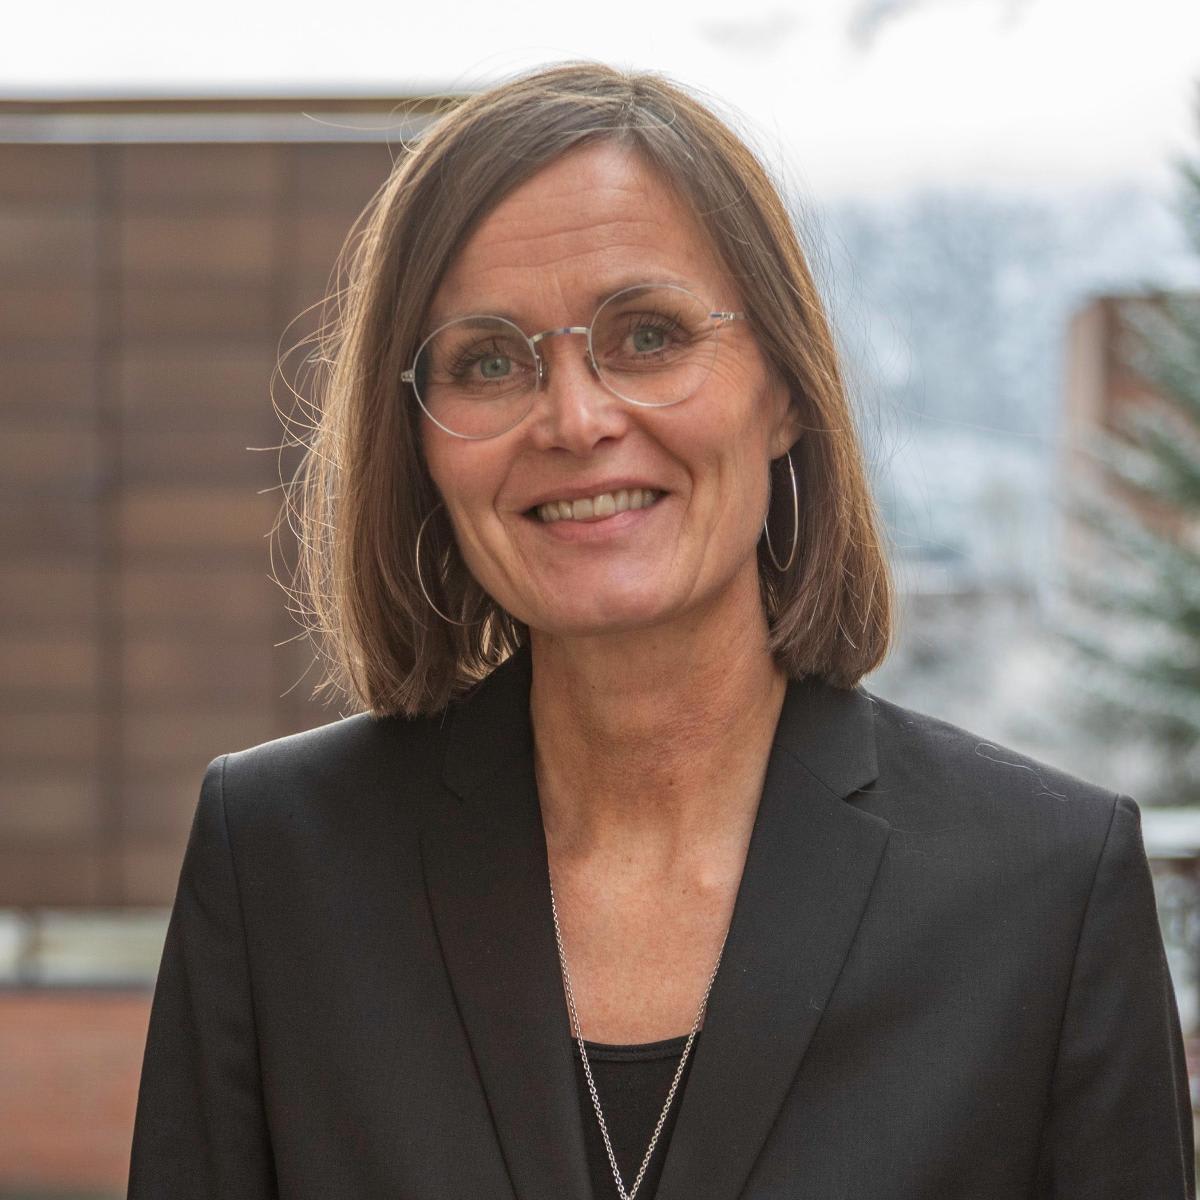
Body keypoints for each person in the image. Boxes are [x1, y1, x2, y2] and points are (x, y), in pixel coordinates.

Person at [126, 63, 1195, 1200]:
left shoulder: (1046, 888)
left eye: (648, 335)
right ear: (421, 441)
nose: (577, 418)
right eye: (488, 360)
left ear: (785, 392)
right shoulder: (281, 863)